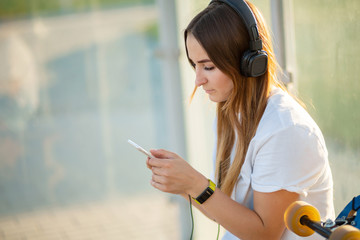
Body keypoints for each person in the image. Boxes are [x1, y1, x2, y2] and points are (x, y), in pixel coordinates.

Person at [146, 0, 335, 239]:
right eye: (195, 66)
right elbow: (227, 213)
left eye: (209, 67)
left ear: (249, 62)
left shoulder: (285, 130)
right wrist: (182, 184)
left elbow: (264, 234)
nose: (198, 80)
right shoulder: (231, 114)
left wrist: (195, 184)